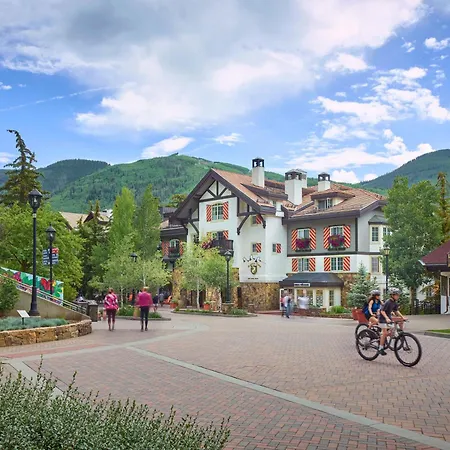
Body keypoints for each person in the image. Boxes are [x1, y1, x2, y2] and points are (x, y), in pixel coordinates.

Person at [378, 287, 406, 355]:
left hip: (388, 319)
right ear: (392, 295)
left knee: (391, 332)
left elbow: (396, 311)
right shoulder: (388, 302)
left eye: (398, 295)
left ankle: (381, 337)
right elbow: (382, 311)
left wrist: (402, 317)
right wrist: (386, 318)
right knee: (385, 333)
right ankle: (380, 348)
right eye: (397, 295)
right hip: (382, 319)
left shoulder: (394, 302)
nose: (398, 296)